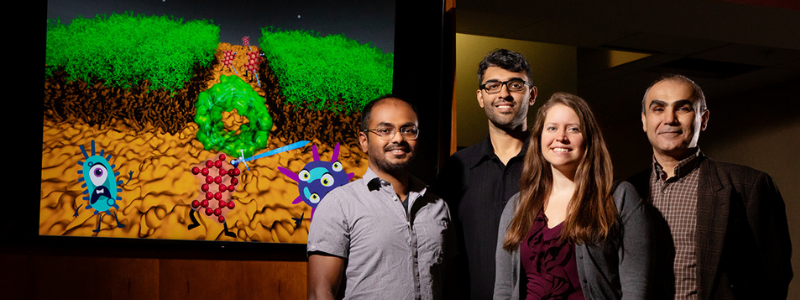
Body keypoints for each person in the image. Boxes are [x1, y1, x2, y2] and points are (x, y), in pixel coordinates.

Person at [628, 74, 792, 299]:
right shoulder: (625, 192)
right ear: (644, 121)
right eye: (658, 109)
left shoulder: (748, 186)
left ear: (703, 119)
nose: (669, 119)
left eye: (682, 108)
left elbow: (774, 277)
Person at [495, 92, 651, 299]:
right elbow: (504, 289)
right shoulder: (517, 206)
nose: (561, 137)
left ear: (589, 139)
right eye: (552, 128)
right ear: (540, 137)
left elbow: (635, 286)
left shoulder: (619, 198)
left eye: (573, 129)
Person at [307, 96, 453, 300]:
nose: (398, 139)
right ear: (364, 141)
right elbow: (319, 293)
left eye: (408, 129)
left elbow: (450, 285)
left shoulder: (438, 207)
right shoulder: (339, 204)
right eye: (385, 130)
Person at [435, 49, 537, 300]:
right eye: (493, 86)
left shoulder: (553, 163)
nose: (504, 93)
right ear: (481, 97)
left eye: (515, 85)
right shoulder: (455, 168)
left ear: (531, 95)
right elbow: (442, 248)